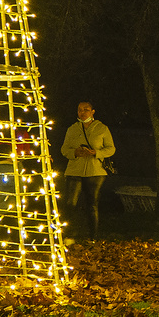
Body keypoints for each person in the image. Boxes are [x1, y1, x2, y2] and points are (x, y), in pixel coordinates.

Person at [61, 101, 115, 243]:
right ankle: (69, 234)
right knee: (70, 203)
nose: (82, 112)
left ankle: (92, 237)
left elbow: (111, 148)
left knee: (91, 204)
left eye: (86, 109)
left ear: (92, 112)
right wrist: (75, 152)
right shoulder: (72, 129)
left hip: (95, 171)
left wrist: (96, 152)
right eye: (79, 110)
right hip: (74, 170)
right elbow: (64, 149)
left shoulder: (102, 128)